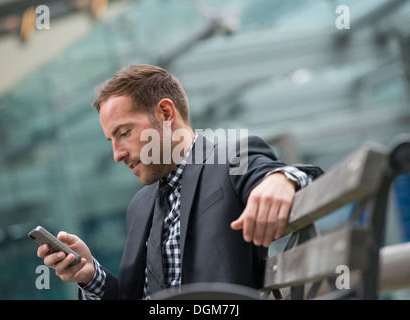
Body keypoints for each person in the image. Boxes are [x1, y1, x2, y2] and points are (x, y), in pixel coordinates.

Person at [37, 64, 323, 300]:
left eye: (124, 132)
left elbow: (271, 171)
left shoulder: (228, 159)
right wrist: (90, 275)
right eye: (111, 140)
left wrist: (280, 178)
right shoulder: (139, 207)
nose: (117, 154)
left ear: (165, 113)